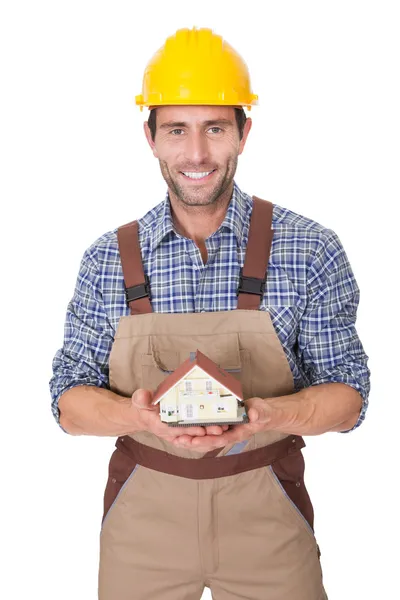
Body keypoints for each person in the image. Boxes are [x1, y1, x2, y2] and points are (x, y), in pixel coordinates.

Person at [49, 27, 370, 600]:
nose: (196, 154)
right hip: (142, 525)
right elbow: (68, 405)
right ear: (149, 137)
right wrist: (140, 420)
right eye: (177, 129)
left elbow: (348, 401)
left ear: (245, 132)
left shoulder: (308, 248)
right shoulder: (107, 260)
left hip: (267, 520)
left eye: (215, 128)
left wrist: (267, 416)